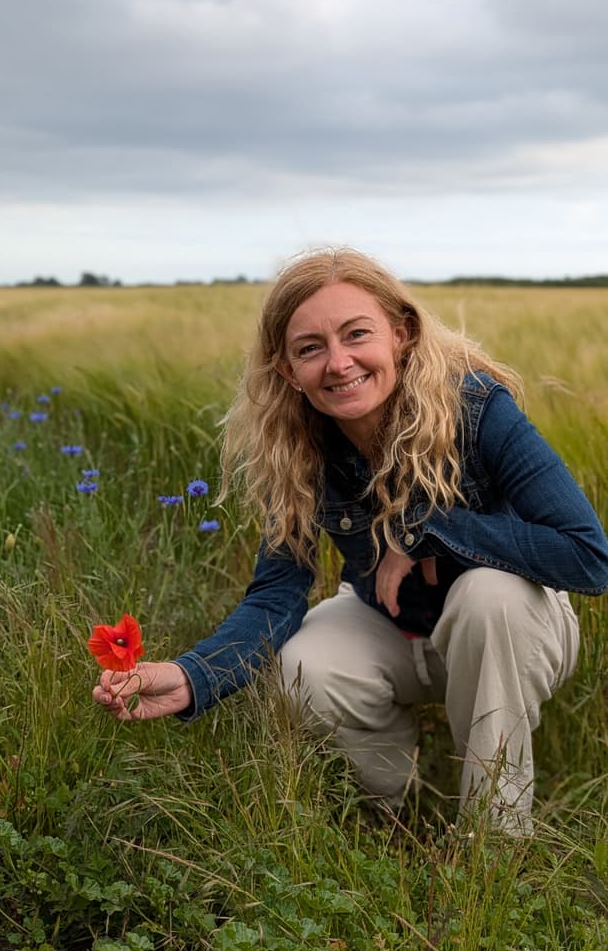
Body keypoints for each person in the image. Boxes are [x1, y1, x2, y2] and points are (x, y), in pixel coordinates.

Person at [92, 247, 608, 834]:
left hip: (513, 636)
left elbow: (589, 558)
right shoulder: (300, 445)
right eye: (310, 348)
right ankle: (392, 811)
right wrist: (190, 677)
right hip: (393, 626)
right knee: (299, 665)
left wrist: (421, 530)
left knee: (490, 597)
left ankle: (495, 842)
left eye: (356, 334)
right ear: (287, 370)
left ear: (401, 333)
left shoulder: (478, 410)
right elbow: (275, 597)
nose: (338, 363)